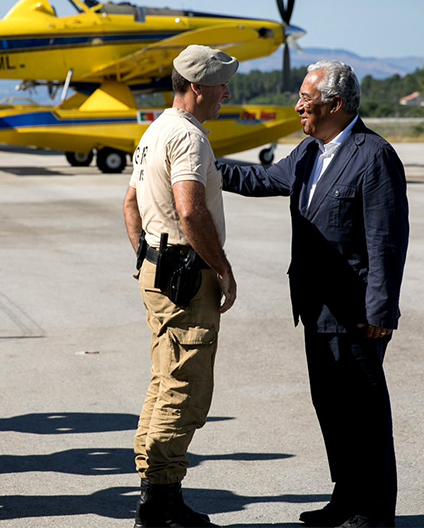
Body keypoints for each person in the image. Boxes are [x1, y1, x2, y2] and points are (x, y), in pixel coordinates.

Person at [218, 61, 409, 528]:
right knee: (333, 412)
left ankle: (374, 510)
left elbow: (387, 240)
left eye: (306, 98)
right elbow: (259, 180)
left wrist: (381, 309)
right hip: (315, 309)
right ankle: (346, 499)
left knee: (365, 417)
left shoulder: (374, 155)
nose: (298, 105)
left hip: (356, 314)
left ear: (335, 105)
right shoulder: (307, 152)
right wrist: (198, 160)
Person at [123, 45, 238, 528]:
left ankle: (156, 491)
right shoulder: (189, 137)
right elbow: (190, 209)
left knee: (162, 381)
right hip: (187, 276)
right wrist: (223, 268)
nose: (226, 94)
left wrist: (147, 257)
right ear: (196, 87)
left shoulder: (155, 130)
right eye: (220, 85)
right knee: (183, 387)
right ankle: (161, 504)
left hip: (159, 269)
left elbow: (130, 203)